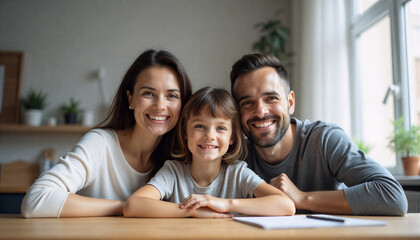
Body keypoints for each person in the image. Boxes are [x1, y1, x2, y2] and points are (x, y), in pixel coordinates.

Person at [229, 53, 408, 216]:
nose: (260, 112)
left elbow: (392, 196)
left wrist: (302, 198)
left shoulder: (324, 140)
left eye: (271, 98)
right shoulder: (235, 155)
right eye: (247, 102)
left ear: (290, 103)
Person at [21, 49, 192, 218]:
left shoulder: (182, 155)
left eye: (172, 96)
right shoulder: (100, 143)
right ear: (130, 98)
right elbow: (36, 200)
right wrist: (130, 206)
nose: (160, 105)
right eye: (148, 93)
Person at [123, 87, 295, 218]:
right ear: (185, 132)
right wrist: (192, 211)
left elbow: (286, 205)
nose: (209, 136)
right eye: (200, 126)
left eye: (220, 128)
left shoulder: (238, 173)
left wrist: (225, 204)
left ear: (232, 137)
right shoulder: (173, 172)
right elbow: (133, 205)